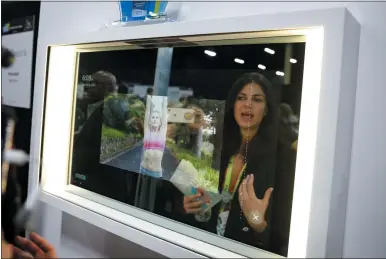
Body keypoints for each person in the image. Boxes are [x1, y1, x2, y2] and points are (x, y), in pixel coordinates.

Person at [182, 72, 280, 250]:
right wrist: (191, 204)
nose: (248, 104)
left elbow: (279, 236)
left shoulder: (279, 159)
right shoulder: (216, 149)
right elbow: (203, 203)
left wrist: (257, 221)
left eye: (257, 99)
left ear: (266, 109)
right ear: (233, 104)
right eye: (241, 97)